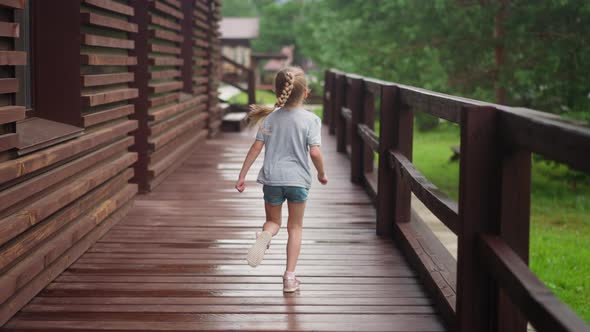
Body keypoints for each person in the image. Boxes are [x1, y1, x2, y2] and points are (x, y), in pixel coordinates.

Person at [235, 66, 328, 293]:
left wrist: (242, 175)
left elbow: (256, 147)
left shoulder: (270, 119)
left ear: (278, 90)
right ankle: (289, 278)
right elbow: (315, 152)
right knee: (295, 227)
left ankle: (265, 235)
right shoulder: (311, 120)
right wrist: (321, 173)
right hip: (298, 181)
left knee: (273, 222)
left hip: (272, 180)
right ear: (305, 93)